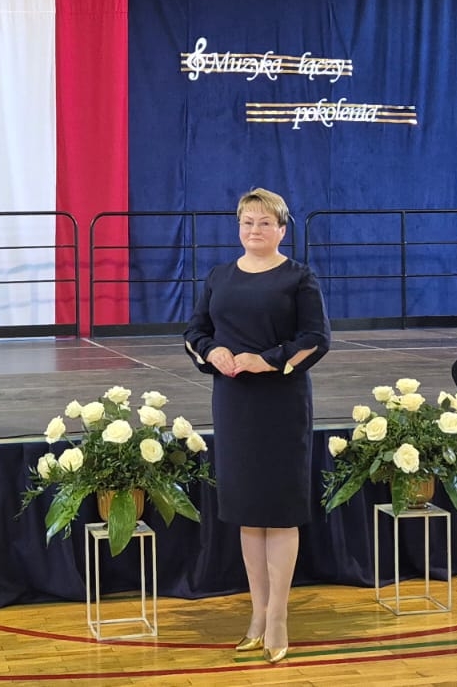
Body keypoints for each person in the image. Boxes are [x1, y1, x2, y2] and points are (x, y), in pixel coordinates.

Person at [183, 187, 330, 664]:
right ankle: (258, 614)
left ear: (281, 229)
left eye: (265, 222)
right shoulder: (219, 276)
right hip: (234, 403)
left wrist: (265, 360)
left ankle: (279, 618)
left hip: (281, 403)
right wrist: (213, 352)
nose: (255, 230)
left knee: (279, 510)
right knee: (248, 511)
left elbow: (316, 338)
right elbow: (195, 332)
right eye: (247, 222)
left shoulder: (299, 278)